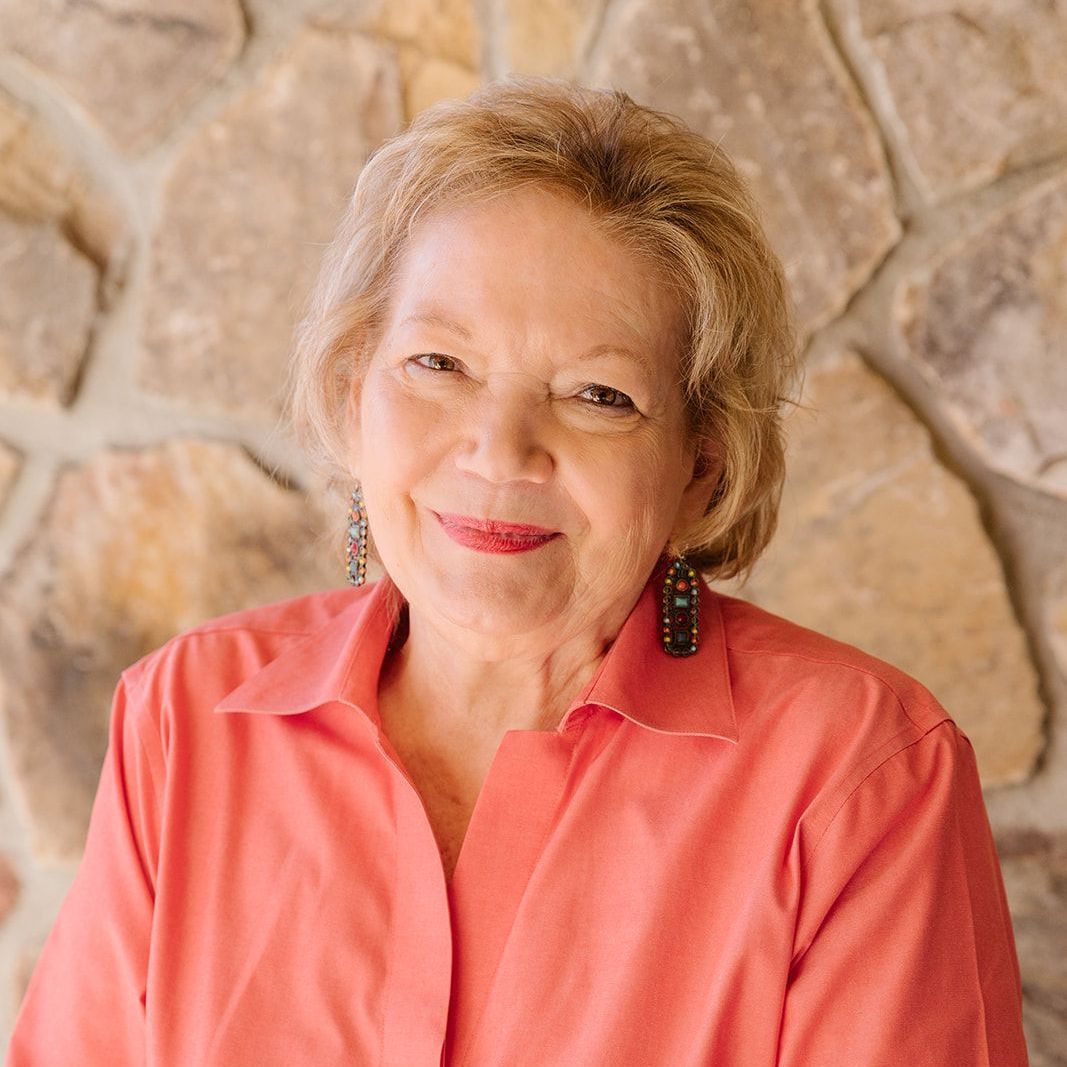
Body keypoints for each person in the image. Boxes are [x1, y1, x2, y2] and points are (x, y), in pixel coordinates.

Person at [7, 76, 1028, 1066]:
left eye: (596, 393)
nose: (499, 450)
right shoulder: (186, 719)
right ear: (355, 389)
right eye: (438, 364)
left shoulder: (859, 778)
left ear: (698, 468)